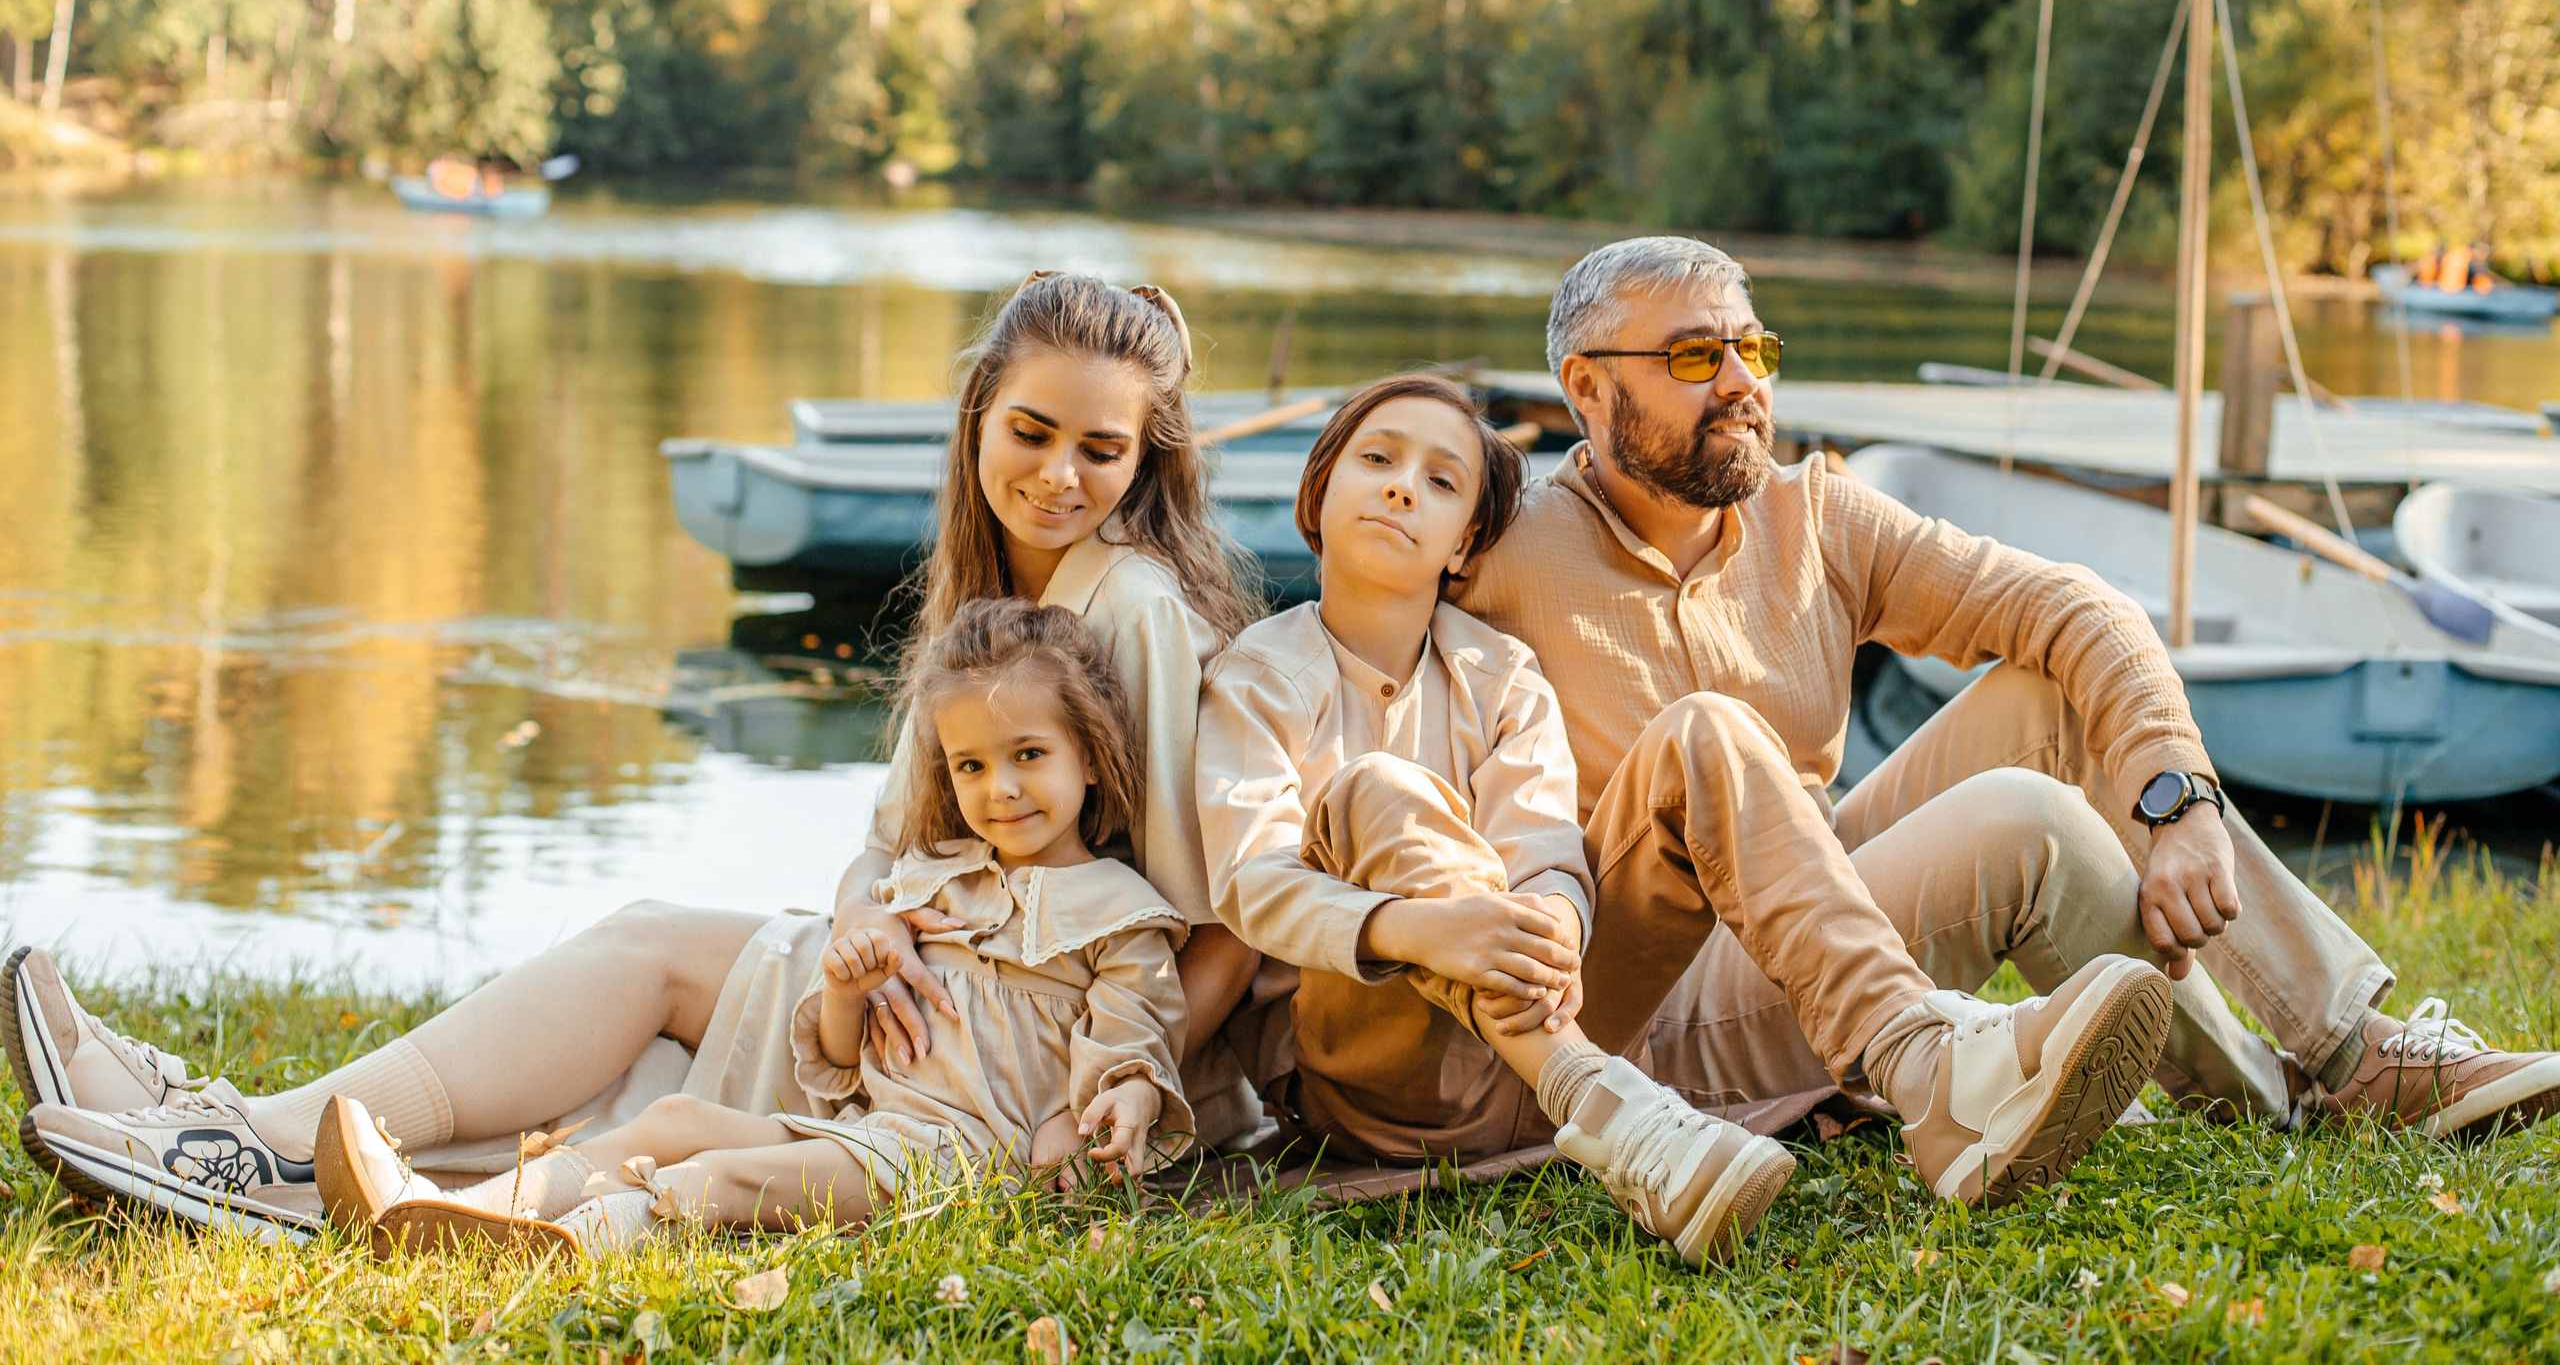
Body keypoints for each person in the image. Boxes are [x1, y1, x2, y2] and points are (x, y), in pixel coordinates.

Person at [10, 273, 1265, 1232]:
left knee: (652, 952)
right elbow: (888, 849)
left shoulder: (1134, 609)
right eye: (1032, 433)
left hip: (1015, 1057)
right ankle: (245, 1143)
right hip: (918, 995)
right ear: (978, 418)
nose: (1059, 475)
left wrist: (1097, 1112)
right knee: (641, 1060)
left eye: (1101, 451)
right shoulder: (988, 596)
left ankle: (256, 1150)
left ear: (1145, 458)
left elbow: (1209, 922)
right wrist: (855, 931)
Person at [1453, 235, 2560, 1139]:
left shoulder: (1813, 516)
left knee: (2046, 699)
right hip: (1645, 999)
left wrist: (2178, 803)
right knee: (2025, 821)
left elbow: (2076, 607)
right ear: (1586, 388)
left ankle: (2344, 1051)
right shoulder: (1496, 549)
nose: (1744, 383)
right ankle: (2274, 1092)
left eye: (1756, 349)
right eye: (1696, 358)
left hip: (1821, 910)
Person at [1196, 374, 2173, 1266]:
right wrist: (1420, 927)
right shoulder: (1255, 677)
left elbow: (1541, 843)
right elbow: (1253, 880)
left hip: (1537, 1027)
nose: (1403, 486)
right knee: (1376, 790)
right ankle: (1606, 1105)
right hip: (1378, 1076)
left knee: (1705, 727)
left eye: (1440, 480)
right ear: (1313, 498)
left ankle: (1920, 1062)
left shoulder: (1501, 676)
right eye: (1375, 459)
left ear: (1464, 547)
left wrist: (1552, 924)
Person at [310, 601, 1190, 1258]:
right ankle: (479, 1206)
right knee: (679, 1117)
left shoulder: (1119, 914)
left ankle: (570, 1247)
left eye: (1028, 755)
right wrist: (846, 987)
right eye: (972, 764)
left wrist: (1119, 1103)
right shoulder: (933, 886)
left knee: (716, 1180)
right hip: (869, 1135)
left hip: (959, 1169)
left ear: (1088, 747)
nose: (1001, 787)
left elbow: (1133, 1043)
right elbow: (844, 1060)